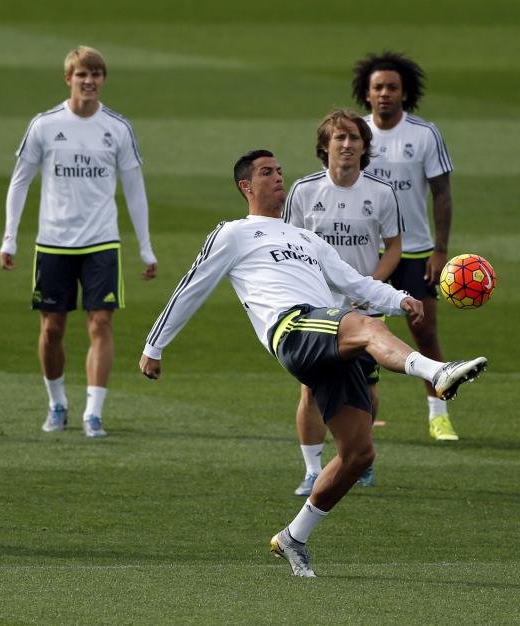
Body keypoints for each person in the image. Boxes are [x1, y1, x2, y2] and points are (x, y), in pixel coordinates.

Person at [139, 149, 486, 577]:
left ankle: (293, 537)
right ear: (246, 187)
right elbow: (191, 287)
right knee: (363, 325)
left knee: (358, 454)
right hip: (292, 329)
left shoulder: (306, 238)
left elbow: (356, 283)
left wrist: (402, 300)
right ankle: (437, 372)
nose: (279, 177)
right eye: (267, 172)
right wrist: (154, 346)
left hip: (324, 336)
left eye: (280, 170)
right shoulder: (233, 234)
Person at [0, 45, 157, 438]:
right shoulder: (45, 125)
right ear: (68, 79)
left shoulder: (117, 128)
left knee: (100, 323)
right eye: (82, 75)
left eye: (97, 74)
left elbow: (134, 189)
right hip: (53, 242)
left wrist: (146, 246)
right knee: (52, 328)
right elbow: (20, 181)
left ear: (103, 79)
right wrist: (10, 237)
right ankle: (57, 403)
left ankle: (93, 412)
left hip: (102, 241)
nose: (90, 82)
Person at [283, 109, 402, 496]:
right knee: (309, 390)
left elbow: (394, 248)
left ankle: (358, 459)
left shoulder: (381, 193)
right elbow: (288, 247)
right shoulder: (303, 191)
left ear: (365, 147)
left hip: (363, 310)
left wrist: (368, 285)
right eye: (339, 138)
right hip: (316, 308)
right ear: (325, 146)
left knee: (365, 388)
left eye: (353, 138)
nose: (347, 144)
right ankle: (313, 470)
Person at [351, 51, 460, 441]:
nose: (384, 94)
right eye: (377, 87)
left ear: (404, 93)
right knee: (362, 334)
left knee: (424, 332)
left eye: (392, 88)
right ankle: (358, 421)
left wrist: (440, 248)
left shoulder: (424, 134)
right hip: (368, 252)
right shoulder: (355, 135)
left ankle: (438, 415)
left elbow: (441, 193)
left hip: (415, 250)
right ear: (366, 93)